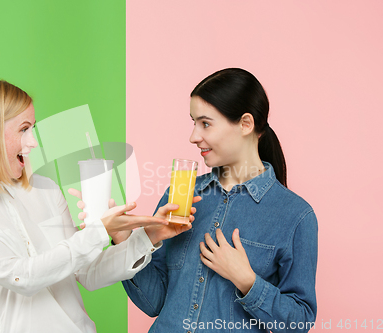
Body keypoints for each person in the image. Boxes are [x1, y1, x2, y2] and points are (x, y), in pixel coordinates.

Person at [0, 79, 194, 333]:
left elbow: (87, 272)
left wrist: (149, 236)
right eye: (24, 129)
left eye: (33, 128)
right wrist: (99, 231)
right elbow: (22, 277)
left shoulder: (43, 189)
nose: (33, 142)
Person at [120, 68, 318, 332]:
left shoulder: (296, 216)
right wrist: (126, 241)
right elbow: (154, 303)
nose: (193, 136)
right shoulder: (179, 195)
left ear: (246, 124)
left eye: (205, 123)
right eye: (193, 123)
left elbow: (300, 321)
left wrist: (247, 281)